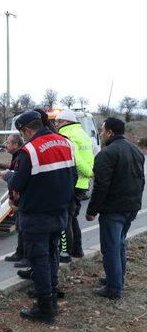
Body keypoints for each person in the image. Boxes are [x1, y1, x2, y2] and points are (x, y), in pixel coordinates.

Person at [5, 110, 76, 323]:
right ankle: (52, 295)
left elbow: (17, 184)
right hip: (60, 211)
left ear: (27, 130)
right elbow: (72, 176)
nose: (23, 138)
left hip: (36, 214)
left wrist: (8, 175)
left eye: (22, 133)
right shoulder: (65, 143)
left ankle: (45, 307)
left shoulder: (30, 150)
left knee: (39, 259)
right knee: (52, 254)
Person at [86, 118, 145, 300]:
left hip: (113, 209)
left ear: (110, 132)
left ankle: (114, 289)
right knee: (119, 244)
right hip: (130, 207)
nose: (101, 133)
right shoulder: (136, 150)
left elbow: (101, 186)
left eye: (103, 130)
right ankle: (117, 279)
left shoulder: (107, 154)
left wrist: (91, 210)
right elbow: (140, 180)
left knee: (111, 248)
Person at [55, 110, 94, 259]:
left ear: (65, 122)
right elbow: (89, 157)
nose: (56, 125)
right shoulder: (82, 134)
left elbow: (75, 160)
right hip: (82, 183)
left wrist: (89, 172)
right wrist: (90, 173)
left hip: (73, 182)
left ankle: (66, 252)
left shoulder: (67, 136)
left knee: (66, 219)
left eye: (58, 121)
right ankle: (77, 250)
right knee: (72, 217)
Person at [2, 133, 29, 268]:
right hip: (18, 198)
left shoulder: (21, 157)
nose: (5, 145)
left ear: (16, 145)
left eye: (8, 143)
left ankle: (26, 255)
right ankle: (20, 252)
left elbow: (17, 180)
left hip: (22, 199)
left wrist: (7, 176)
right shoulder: (17, 156)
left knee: (24, 227)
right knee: (20, 226)